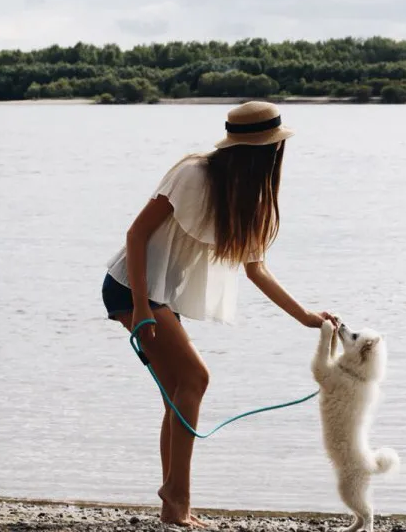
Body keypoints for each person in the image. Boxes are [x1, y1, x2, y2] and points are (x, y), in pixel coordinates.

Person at [102, 101, 335, 527]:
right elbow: (136, 234)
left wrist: (306, 317)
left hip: (158, 296)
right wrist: (139, 308)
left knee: (178, 395)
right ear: (263, 151)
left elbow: (255, 269)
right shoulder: (192, 174)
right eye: (274, 148)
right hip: (130, 287)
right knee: (196, 380)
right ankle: (177, 495)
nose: (278, 156)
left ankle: (173, 506)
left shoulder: (250, 198)